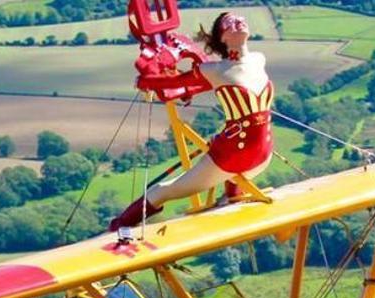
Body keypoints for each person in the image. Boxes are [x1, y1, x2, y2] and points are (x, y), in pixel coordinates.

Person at [109, 12, 274, 234]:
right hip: (230, 158)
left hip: (261, 155)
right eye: (230, 23)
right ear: (222, 37)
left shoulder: (259, 59)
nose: (239, 21)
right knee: (164, 190)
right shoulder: (213, 70)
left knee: (216, 165)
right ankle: (119, 227)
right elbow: (175, 81)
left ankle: (232, 193)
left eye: (240, 18)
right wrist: (146, 80)